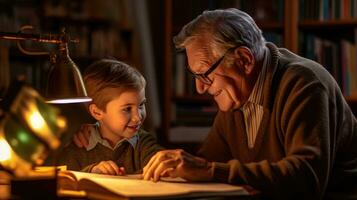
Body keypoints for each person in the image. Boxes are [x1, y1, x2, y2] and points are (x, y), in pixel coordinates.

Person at [140, 8, 357, 199]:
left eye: (205, 74)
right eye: (194, 75)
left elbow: (306, 179)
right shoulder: (236, 96)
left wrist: (212, 170)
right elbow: (204, 163)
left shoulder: (304, 83)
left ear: (244, 60)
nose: (200, 88)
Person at [57, 59, 163, 175]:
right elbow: (63, 178)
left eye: (141, 105)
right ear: (97, 112)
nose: (138, 117)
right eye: (127, 109)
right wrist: (91, 172)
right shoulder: (79, 145)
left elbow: (163, 166)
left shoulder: (144, 143)